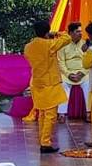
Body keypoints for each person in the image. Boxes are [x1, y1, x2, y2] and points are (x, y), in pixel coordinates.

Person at [23, 19, 70, 153]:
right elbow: (67, 38)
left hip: (37, 82)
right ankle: (45, 143)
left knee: (42, 113)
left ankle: (43, 141)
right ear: (47, 32)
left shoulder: (28, 46)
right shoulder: (49, 44)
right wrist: (55, 33)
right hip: (50, 83)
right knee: (50, 114)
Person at [57, 22, 89, 123]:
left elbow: (89, 61)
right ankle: (61, 114)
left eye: (81, 31)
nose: (80, 34)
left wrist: (82, 73)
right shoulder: (62, 45)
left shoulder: (85, 44)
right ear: (70, 33)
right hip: (67, 74)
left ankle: (89, 113)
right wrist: (68, 74)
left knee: (88, 85)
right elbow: (60, 62)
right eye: (77, 32)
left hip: (83, 74)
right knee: (63, 86)